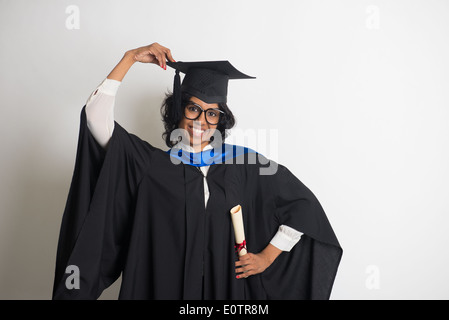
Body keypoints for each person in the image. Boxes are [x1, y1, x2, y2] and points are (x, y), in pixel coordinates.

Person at [52, 42, 342, 300]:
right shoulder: (151, 166)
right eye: (193, 108)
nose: (200, 120)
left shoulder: (244, 165)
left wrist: (266, 257)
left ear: (220, 120)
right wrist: (129, 58)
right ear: (179, 110)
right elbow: (95, 119)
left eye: (212, 112)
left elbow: (303, 207)